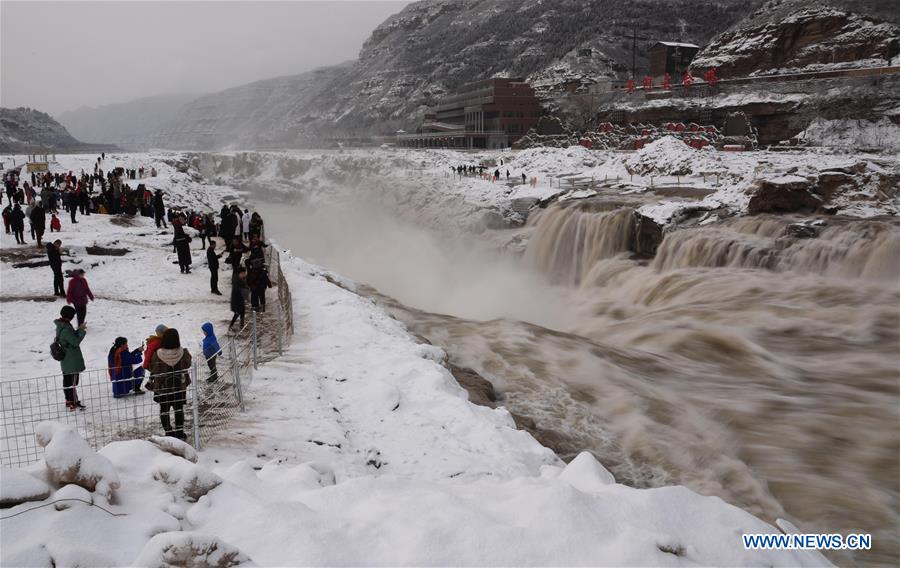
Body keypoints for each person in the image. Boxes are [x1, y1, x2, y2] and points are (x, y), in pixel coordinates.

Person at [148, 328, 191, 440]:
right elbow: (188, 364)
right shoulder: (183, 353)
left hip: (163, 388)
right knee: (178, 409)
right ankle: (180, 432)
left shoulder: (157, 354)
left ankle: (168, 431)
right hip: (178, 387)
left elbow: (152, 368)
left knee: (164, 410)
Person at [55, 305, 86, 411]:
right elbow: (75, 342)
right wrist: (81, 331)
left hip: (68, 359)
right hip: (70, 359)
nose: (73, 317)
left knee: (69, 381)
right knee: (71, 382)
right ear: (69, 316)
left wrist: (78, 329)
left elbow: (72, 338)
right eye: (73, 315)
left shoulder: (64, 325)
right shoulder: (66, 329)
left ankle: (71, 400)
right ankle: (72, 401)